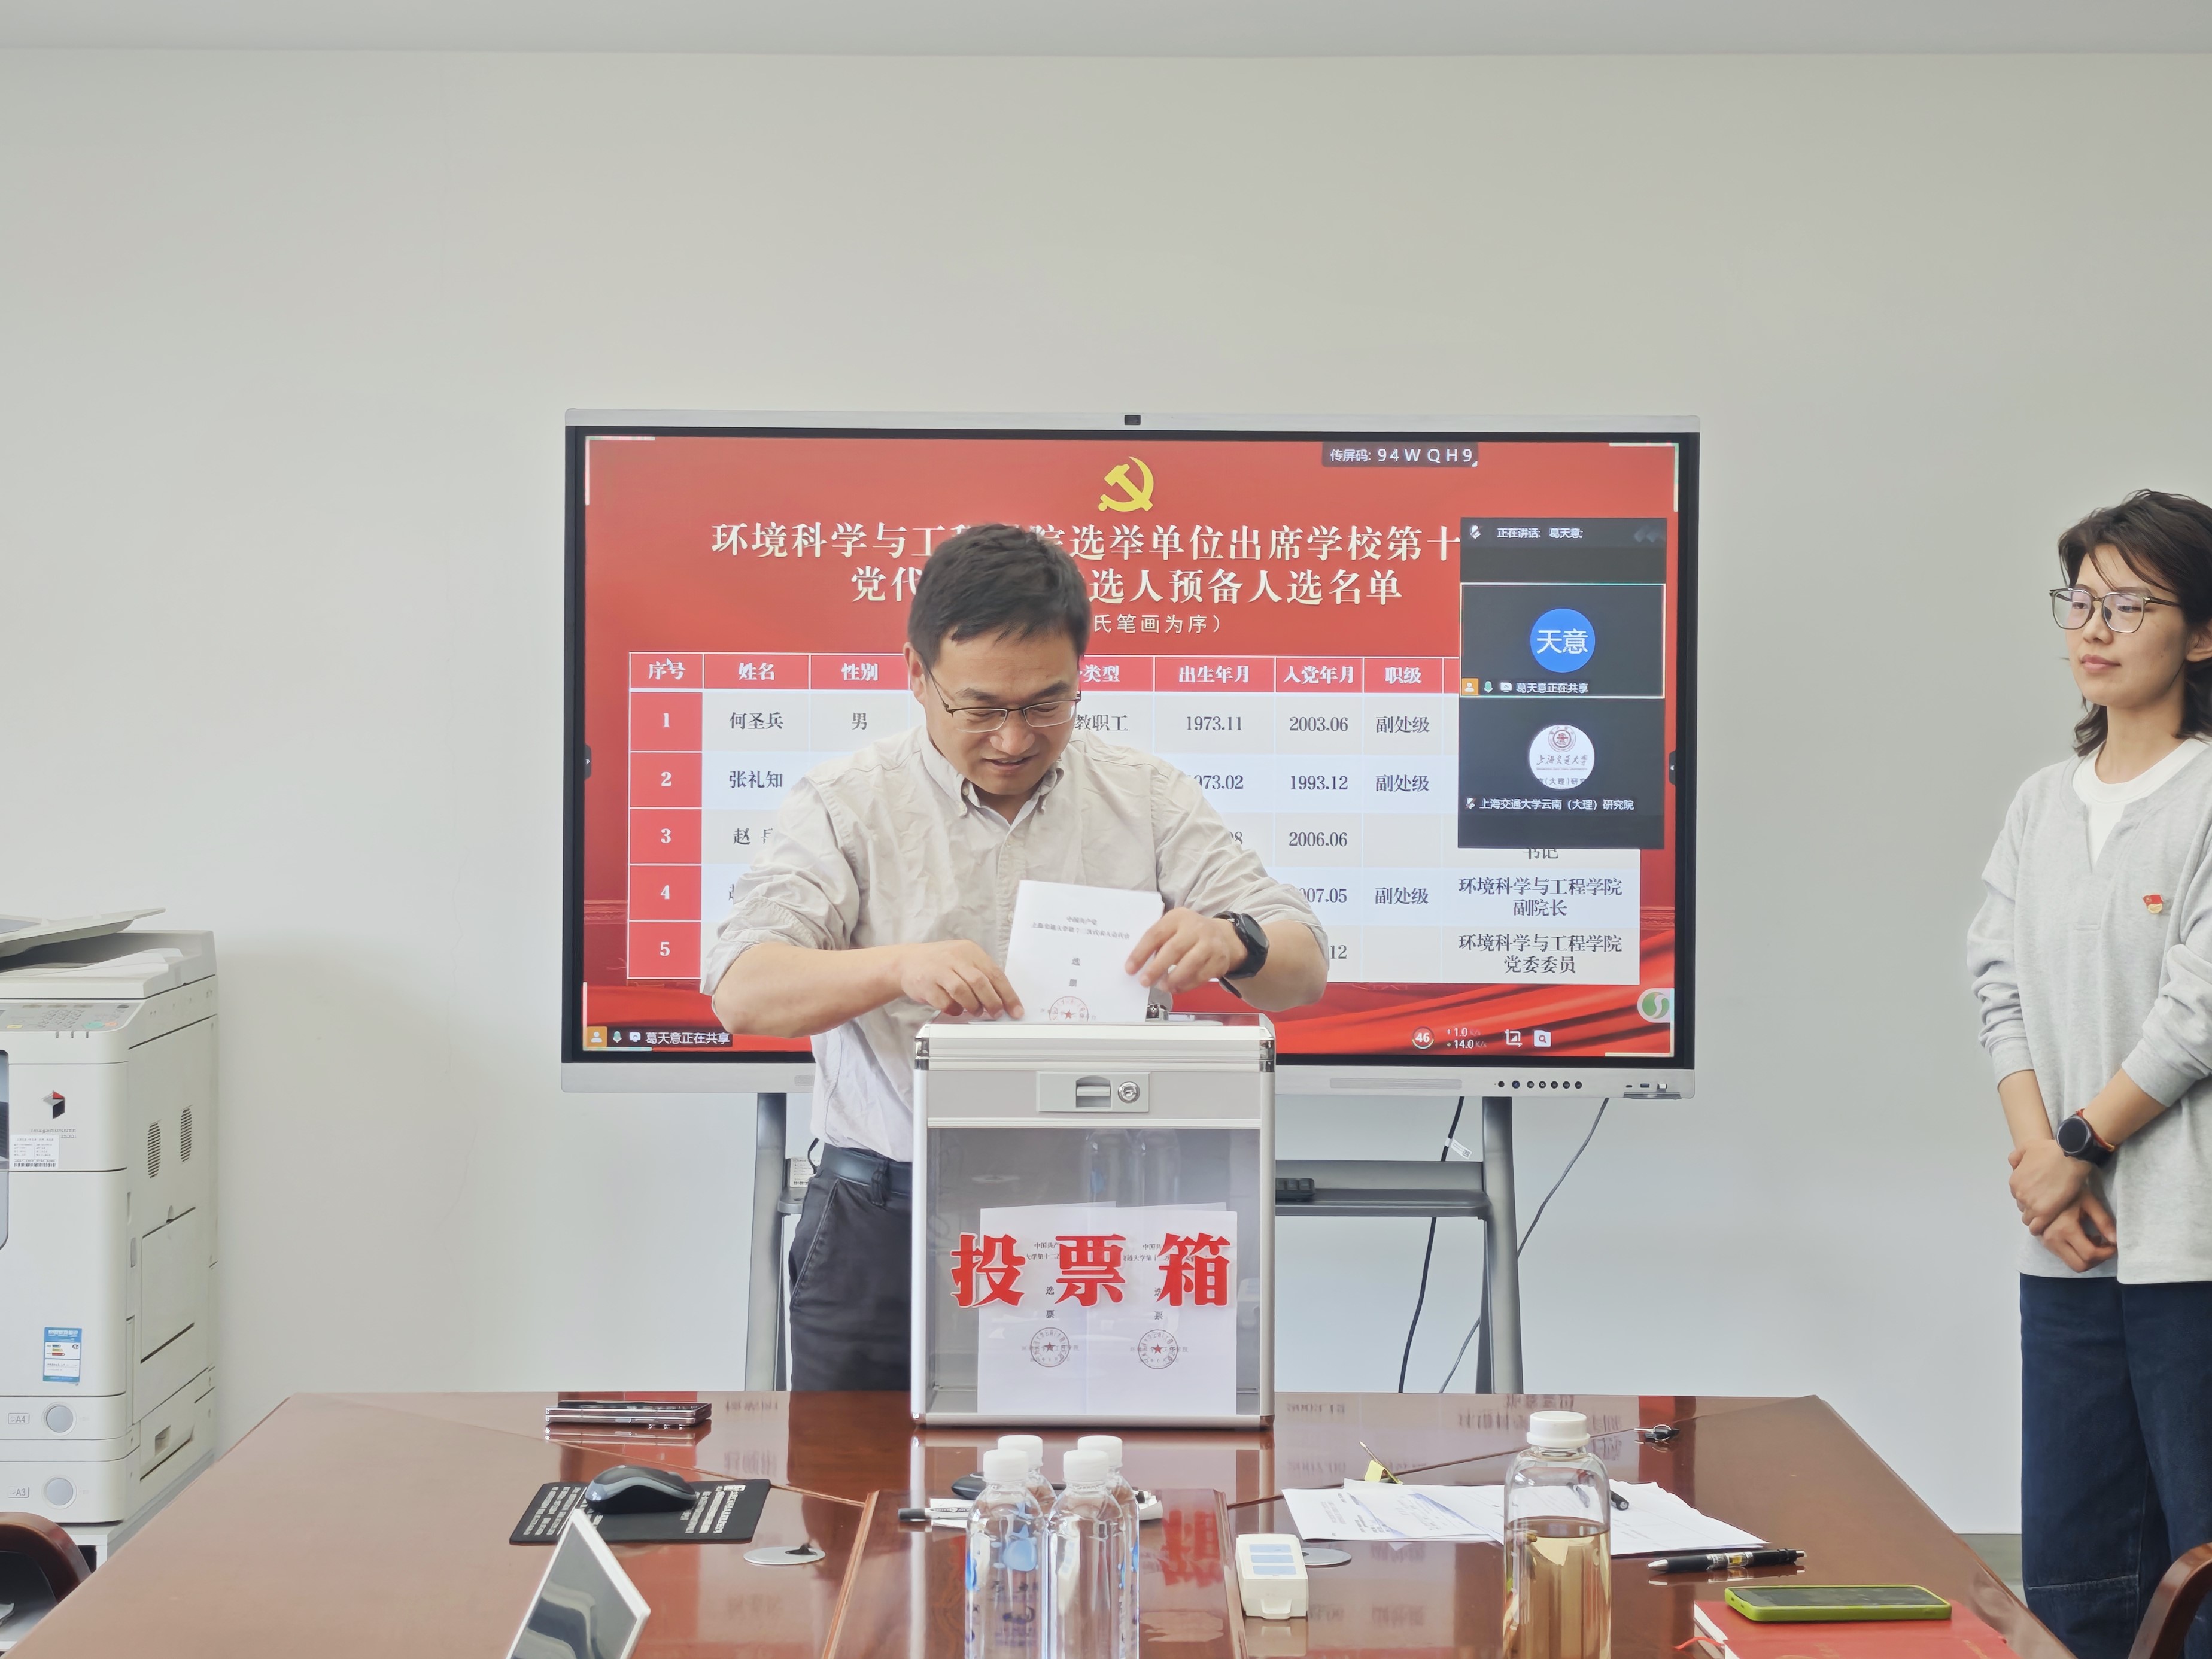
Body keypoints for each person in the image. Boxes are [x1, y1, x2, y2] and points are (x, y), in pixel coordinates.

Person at [704, 523, 1329, 1390]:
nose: (1013, 739)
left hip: (1100, 1221)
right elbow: (742, 990)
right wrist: (895, 967)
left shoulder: (1145, 796)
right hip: (886, 1224)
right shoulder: (847, 805)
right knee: (860, 1481)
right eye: (982, 709)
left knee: (1102, 1473)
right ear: (917, 675)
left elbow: (1303, 965)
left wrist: (1236, 939)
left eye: (1045, 705)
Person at [1969, 490, 2212, 1659]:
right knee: (2075, 1576)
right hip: (2063, 1247)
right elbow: (1996, 983)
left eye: (2130, 605)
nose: (2095, 628)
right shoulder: (2039, 804)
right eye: (2081, 602)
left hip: (2190, 1250)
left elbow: (2198, 1013)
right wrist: (2040, 1169)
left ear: (2203, 635)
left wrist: (2076, 1151)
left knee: (2199, 1573)